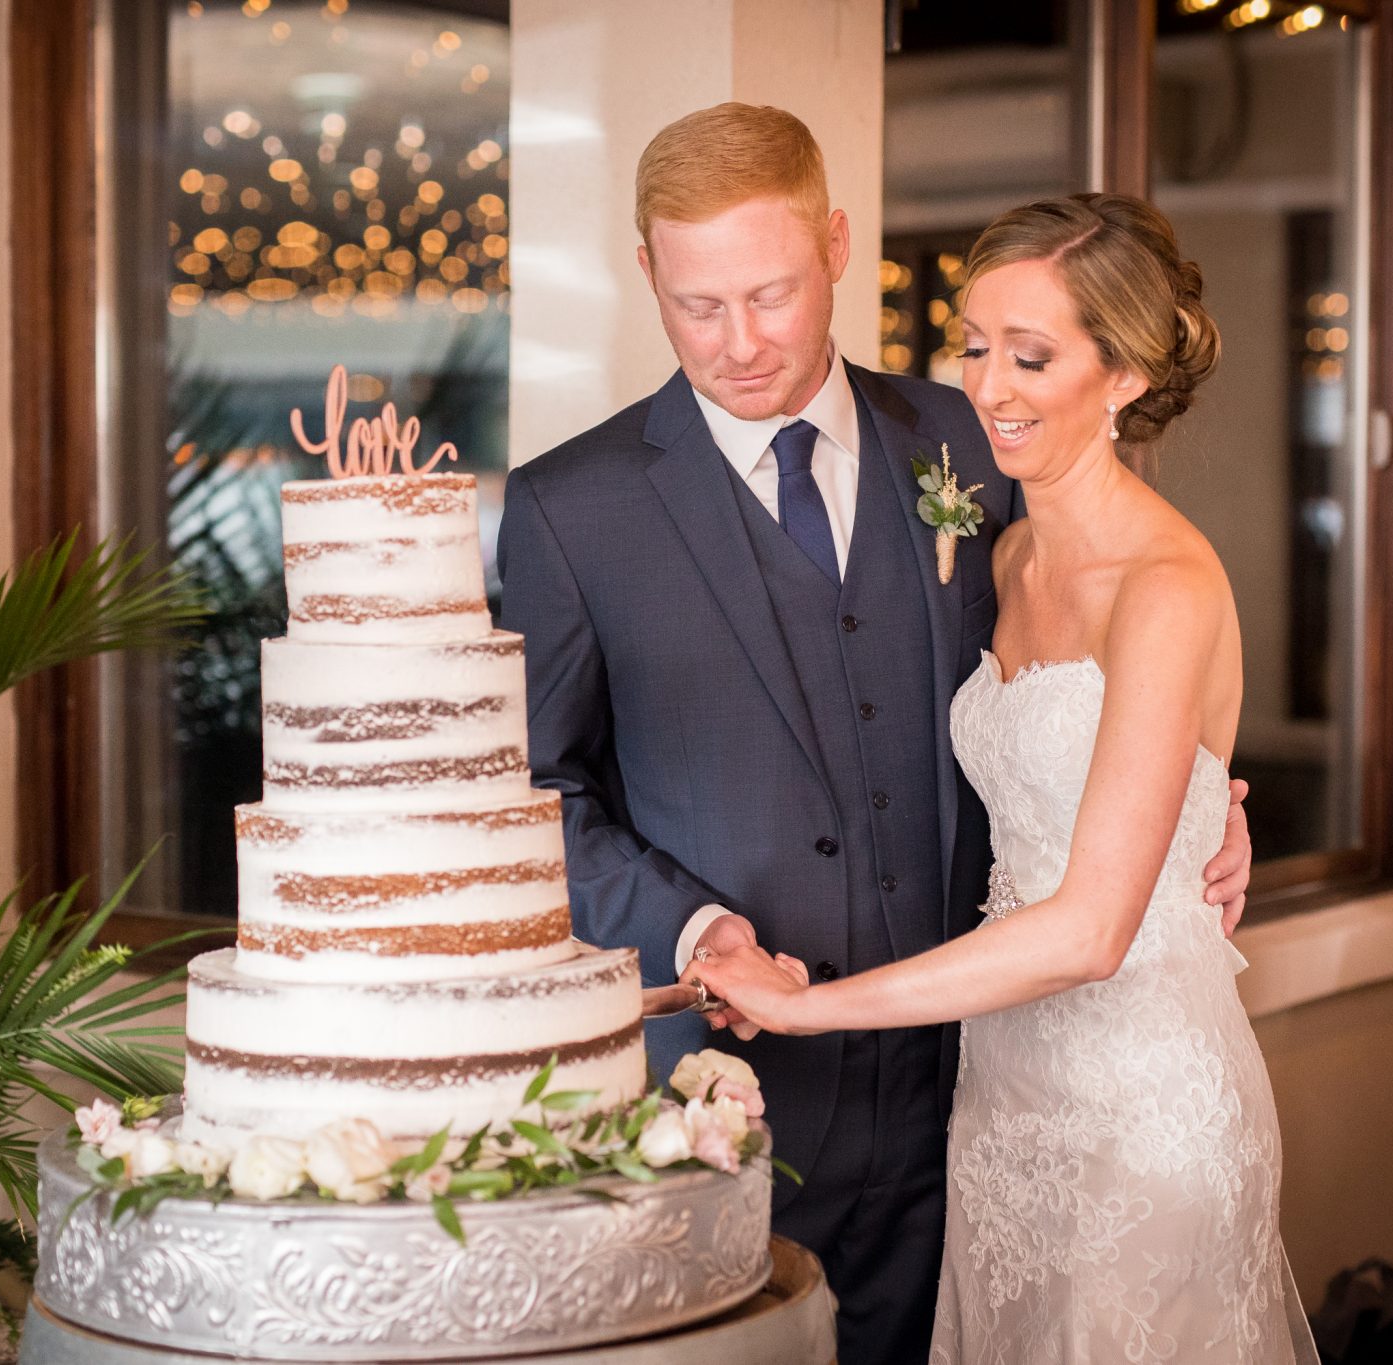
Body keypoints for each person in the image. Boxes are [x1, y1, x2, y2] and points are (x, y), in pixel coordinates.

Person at [495, 103, 1255, 1364]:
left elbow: (1127, 654)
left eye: (771, 294)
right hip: (725, 1100)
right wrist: (692, 926)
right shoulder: (570, 509)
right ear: (645, 275)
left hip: (974, 1094)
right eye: (697, 305)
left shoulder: (978, 438)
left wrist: (1208, 802)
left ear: (837, 245)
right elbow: (537, 792)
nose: (738, 343)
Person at [689, 192, 1320, 1362]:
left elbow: (1088, 929)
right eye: (973, 346)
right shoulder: (1005, 546)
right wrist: (1212, 809)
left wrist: (808, 1006)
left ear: (1124, 376)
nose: (986, 387)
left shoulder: (1167, 585)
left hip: (1145, 1113)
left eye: (1030, 356)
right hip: (1004, 1097)